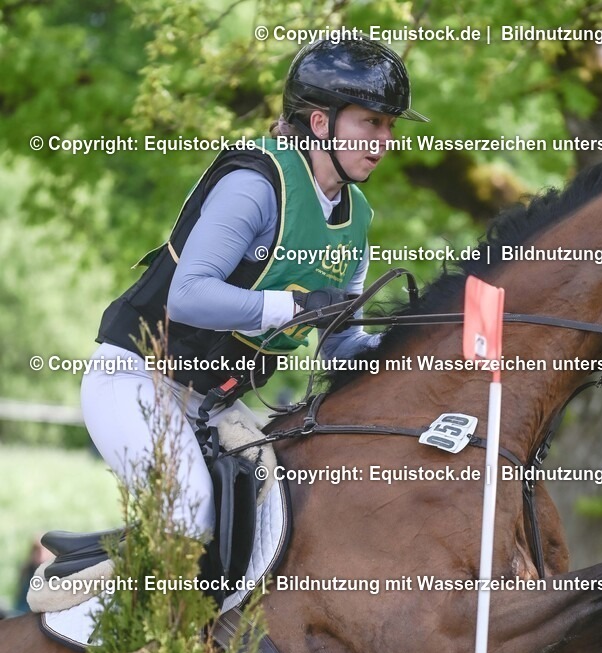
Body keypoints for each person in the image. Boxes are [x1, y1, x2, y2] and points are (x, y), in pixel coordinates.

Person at [81, 36, 427, 545]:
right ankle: (104, 620)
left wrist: (408, 350)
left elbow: (340, 348)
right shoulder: (256, 185)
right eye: (371, 122)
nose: (384, 140)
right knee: (190, 516)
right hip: (137, 378)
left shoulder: (356, 221)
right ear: (319, 122)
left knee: (279, 524)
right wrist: (296, 306)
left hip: (212, 404)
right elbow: (189, 296)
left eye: (390, 126)